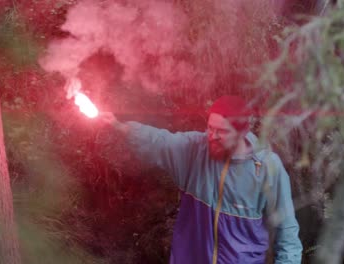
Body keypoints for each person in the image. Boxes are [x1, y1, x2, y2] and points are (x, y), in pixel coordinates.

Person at [99, 95, 302, 264]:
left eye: (221, 131)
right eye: (210, 127)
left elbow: (287, 231)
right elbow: (161, 141)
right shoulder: (195, 150)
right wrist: (120, 126)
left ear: (243, 132)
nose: (211, 136)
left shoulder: (267, 168)